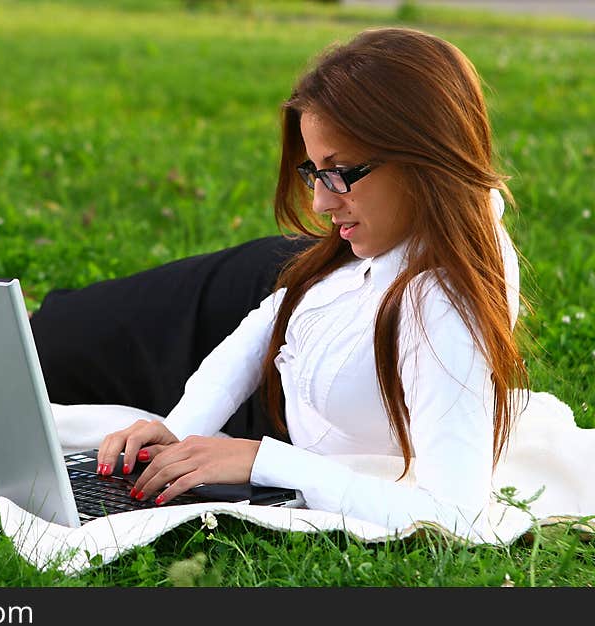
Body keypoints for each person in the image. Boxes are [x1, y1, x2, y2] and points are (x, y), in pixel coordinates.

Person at [32, 27, 530, 532]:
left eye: (340, 172)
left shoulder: (445, 306)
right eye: (315, 172)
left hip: (283, 381)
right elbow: (269, 321)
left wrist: (260, 461)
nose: (319, 202)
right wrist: (178, 431)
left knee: (49, 360)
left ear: (424, 156)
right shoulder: (385, 233)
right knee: (48, 340)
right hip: (268, 295)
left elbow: (458, 518)